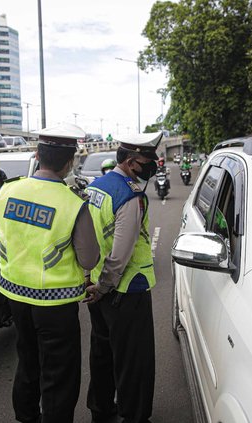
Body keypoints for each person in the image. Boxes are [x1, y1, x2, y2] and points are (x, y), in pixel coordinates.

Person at [0, 123, 100, 423]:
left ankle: (26, 417)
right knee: (59, 374)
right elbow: (89, 257)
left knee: (28, 360)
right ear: (70, 162)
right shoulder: (73, 204)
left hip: (14, 294)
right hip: (55, 306)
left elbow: (0, 235)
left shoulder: (7, 191)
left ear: (37, 154)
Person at [84, 131, 163, 423]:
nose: (152, 167)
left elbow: (84, 238)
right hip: (125, 289)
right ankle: (135, 415)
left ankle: (101, 410)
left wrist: (90, 281)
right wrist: (105, 286)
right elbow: (121, 253)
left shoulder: (97, 187)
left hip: (96, 287)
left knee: (102, 353)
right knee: (134, 361)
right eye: (147, 162)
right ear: (131, 163)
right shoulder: (130, 196)